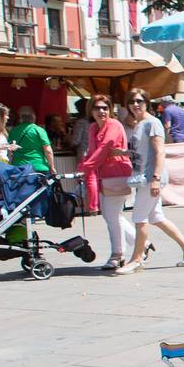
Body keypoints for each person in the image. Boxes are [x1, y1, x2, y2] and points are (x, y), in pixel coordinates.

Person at [114, 89, 184, 275]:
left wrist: (155, 179)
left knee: (139, 217)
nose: (135, 104)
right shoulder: (141, 124)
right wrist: (125, 153)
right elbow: (144, 151)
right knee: (156, 217)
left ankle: (136, 259)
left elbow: (160, 152)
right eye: (131, 101)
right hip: (144, 177)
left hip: (149, 177)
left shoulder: (152, 123)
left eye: (139, 101)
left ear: (147, 102)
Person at [79, 95, 134, 270]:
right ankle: (142, 243)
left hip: (117, 173)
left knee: (112, 217)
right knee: (112, 215)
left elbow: (105, 147)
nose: (102, 111)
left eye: (105, 107)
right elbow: (92, 150)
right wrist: (85, 165)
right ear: (91, 110)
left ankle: (118, 254)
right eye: (97, 108)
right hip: (103, 176)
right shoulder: (93, 127)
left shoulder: (114, 125)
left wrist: (87, 165)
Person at [7, 107, 53, 174]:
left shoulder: (13, 131)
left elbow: (10, 152)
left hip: (19, 168)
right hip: (39, 167)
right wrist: (52, 167)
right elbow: (48, 151)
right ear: (33, 117)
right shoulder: (39, 130)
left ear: (20, 118)